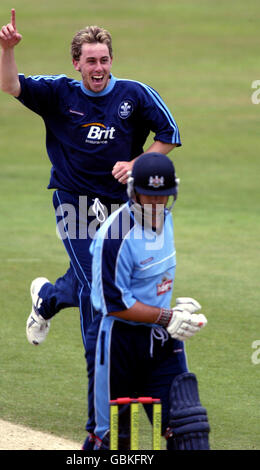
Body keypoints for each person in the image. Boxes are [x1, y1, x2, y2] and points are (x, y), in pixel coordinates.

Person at [0, 9, 182, 448]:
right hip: (74, 206)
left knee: (90, 285)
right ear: (76, 63)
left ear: (110, 61)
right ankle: (99, 426)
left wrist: (137, 163)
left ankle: (47, 298)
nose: (98, 69)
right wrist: (6, 51)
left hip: (123, 208)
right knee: (100, 301)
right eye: (90, 61)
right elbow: (10, 85)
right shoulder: (58, 93)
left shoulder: (134, 94)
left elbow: (170, 133)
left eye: (104, 60)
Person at [90, 152, 210, 450]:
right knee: (115, 441)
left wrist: (175, 310)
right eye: (148, 197)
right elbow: (116, 304)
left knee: (187, 429)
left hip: (161, 342)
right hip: (118, 343)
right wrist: (168, 317)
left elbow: (153, 279)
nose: (156, 206)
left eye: (163, 198)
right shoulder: (115, 237)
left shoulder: (166, 220)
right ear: (133, 193)